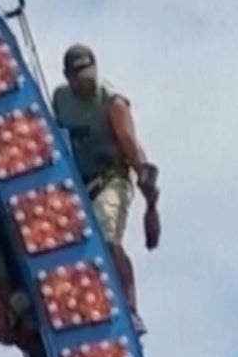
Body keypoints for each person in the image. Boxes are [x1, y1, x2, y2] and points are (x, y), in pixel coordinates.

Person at [49, 45, 161, 334]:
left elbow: (129, 142)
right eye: (79, 77)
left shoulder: (112, 101)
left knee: (107, 238)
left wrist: (145, 182)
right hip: (79, 182)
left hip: (112, 179)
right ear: (68, 76)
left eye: (89, 75)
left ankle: (130, 308)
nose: (85, 82)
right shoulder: (61, 99)